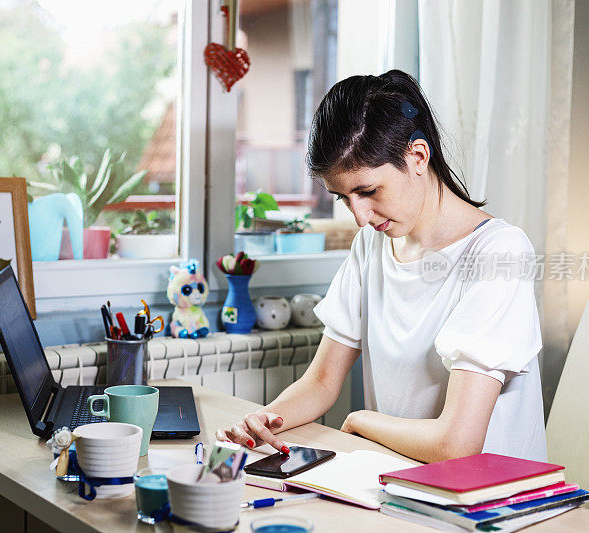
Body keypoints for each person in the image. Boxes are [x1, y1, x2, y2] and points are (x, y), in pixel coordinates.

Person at [215, 70, 547, 463]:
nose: (360, 216)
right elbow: (321, 381)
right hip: (400, 480)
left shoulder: (498, 252)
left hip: (487, 503)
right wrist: (261, 421)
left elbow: (458, 443)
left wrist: (360, 422)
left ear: (418, 156)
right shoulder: (372, 244)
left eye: (368, 191)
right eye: (343, 198)